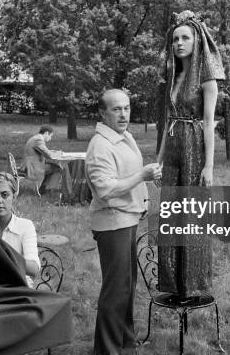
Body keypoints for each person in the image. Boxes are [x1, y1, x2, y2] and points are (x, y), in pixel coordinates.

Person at [85, 89, 163, 355]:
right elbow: (106, 189)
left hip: (127, 219)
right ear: (103, 113)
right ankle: (107, 349)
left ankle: (125, 342)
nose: (123, 114)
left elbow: (128, 174)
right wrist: (142, 175)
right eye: (116, 109)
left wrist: (146, 177)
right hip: (112, 223)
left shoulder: (123, 136)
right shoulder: (101, 146)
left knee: (127, 287)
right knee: (115, 291)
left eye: (127, 108)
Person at [156, 10, 225, 297]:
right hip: (172, 146)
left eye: (185, 38)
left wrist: (209, 166)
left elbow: (209, 122)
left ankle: (193, 284)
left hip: (194, 147)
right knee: (170, 214)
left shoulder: (206, 78)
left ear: (197, 41)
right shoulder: (174, 75)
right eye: (175, 39)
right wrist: (158, 160)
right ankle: (173, 284)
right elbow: (167, 121)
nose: (179, 43)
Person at [21, 125, 63, 194]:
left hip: (31, 165)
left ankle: (44, 189)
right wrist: (59, 154)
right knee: (58, 168)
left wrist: (54, 152)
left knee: (55, 166)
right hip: (33, 167)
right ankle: (48, 189)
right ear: (46, 133)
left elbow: (44, 151)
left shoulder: (35, 138)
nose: (50, 138)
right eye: (50, 136)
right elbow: (48, 154)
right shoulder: (38, 140)